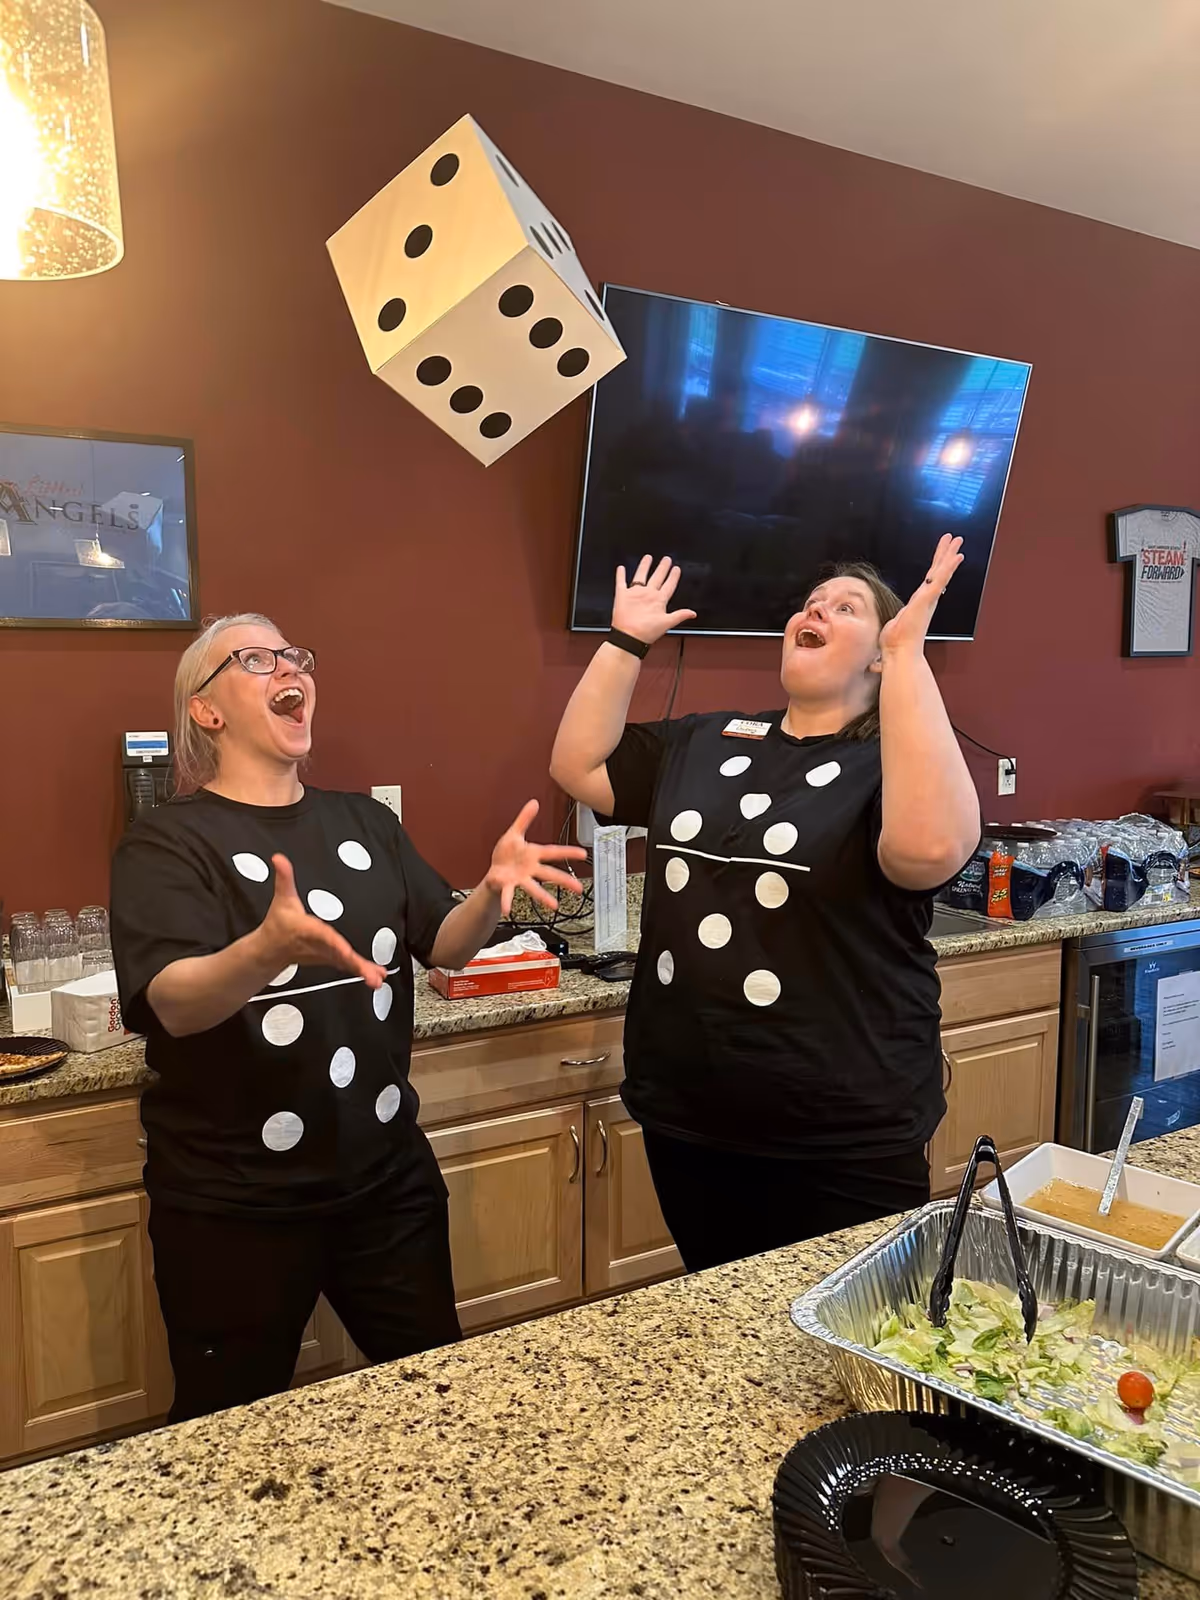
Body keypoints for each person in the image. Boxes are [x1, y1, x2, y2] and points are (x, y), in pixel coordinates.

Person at [112, 613, 583, 1422]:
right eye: (256, 659)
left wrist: (492, 892)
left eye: (295, 656)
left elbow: (445, 946)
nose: (288, 668)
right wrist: (263, 950)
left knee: (437, 1405)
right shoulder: (166, 843)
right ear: (206, 709)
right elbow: (173, 1003)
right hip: (234, 1207)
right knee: (229, 1429)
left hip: (385, 1183)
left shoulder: (366, 823)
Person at [549, 539, 980, 1272]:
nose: (815, 609)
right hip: (688, 1116)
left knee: (854, 1345)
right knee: (727, 1328)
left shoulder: (895, 762)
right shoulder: (708, 739)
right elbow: (579, 766)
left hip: (841, 1132)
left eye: (847, 608)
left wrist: (910, 657)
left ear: (880, 654)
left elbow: (928, 852)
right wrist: (625, 642)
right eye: (813, 602)